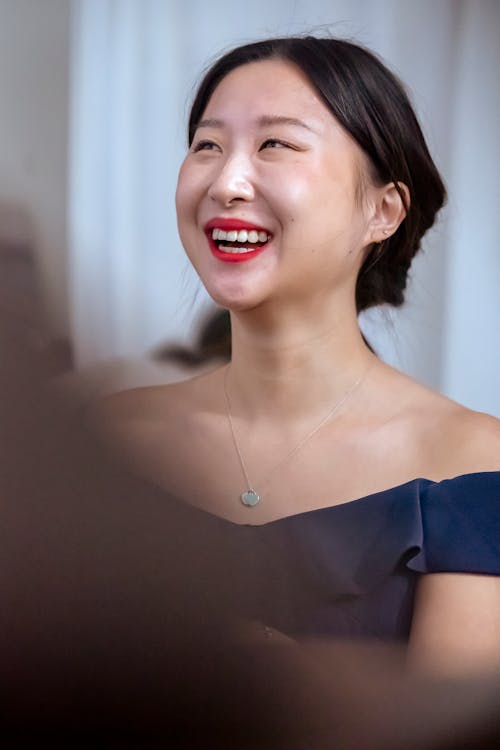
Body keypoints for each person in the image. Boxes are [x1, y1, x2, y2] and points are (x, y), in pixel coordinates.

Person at [96, 36, 500, 677]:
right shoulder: (103, 440)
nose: (226, 182)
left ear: (383, 210)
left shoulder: (475, 463)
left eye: (274, 144)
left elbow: (452, 726)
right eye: (207, 145)